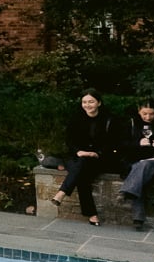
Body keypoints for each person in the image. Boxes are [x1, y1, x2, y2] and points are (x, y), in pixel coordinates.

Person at [50, 89, 121, 226]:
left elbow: (113, 142)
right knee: (82, 173)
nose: (87, 105)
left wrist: (97, 153)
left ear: (99, 103)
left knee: (81, 170)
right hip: (78, 157)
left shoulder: (110, 120)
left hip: (99, 159)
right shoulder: (76, 119)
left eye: (91, 102)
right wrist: (78, 152)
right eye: (84, 102)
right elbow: (69, 141)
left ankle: (62, 193)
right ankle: (92, 215)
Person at [119, 100, 154, 230]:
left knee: (144, 166)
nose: (148, 117)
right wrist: (137, 143)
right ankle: (138, 219)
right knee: (139, 173)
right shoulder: (131, 123)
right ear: (139, 111)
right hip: (134, 162)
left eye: (152, 114)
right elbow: (121, 145)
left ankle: (127, 191)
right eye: (144, 113)